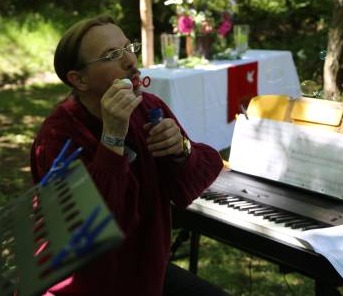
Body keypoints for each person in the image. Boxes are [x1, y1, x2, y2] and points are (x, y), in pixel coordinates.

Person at [29, 15, 226, 295]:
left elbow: (195, 181)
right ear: (79, 80)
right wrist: (112, 137)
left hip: (144, 273)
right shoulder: (56, 138)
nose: (130, 62)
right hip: (83, 285)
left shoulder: (148, 106)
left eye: (128, 48)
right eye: (111, 55)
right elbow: (95, 232)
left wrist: (182, 150)